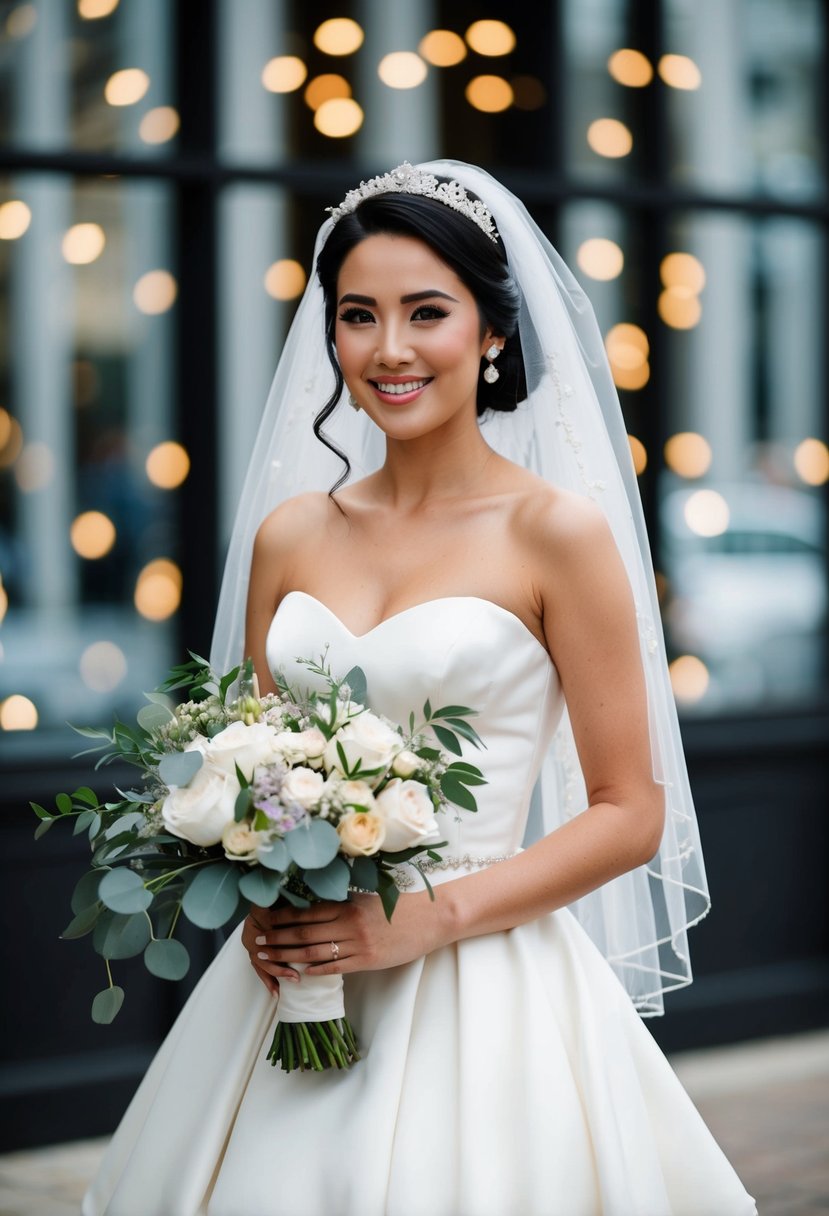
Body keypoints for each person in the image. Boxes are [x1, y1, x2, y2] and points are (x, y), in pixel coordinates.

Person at [83, 162, 757, 1216]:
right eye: (357, 316)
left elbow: (630, 813)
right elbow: (254, 757)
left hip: (485, 980)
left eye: (425, 312)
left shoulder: (556, 535)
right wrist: (251, 873)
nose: (388, 349)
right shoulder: (291, 533)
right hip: (297, 980)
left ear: (491, 332)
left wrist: (428, 919)